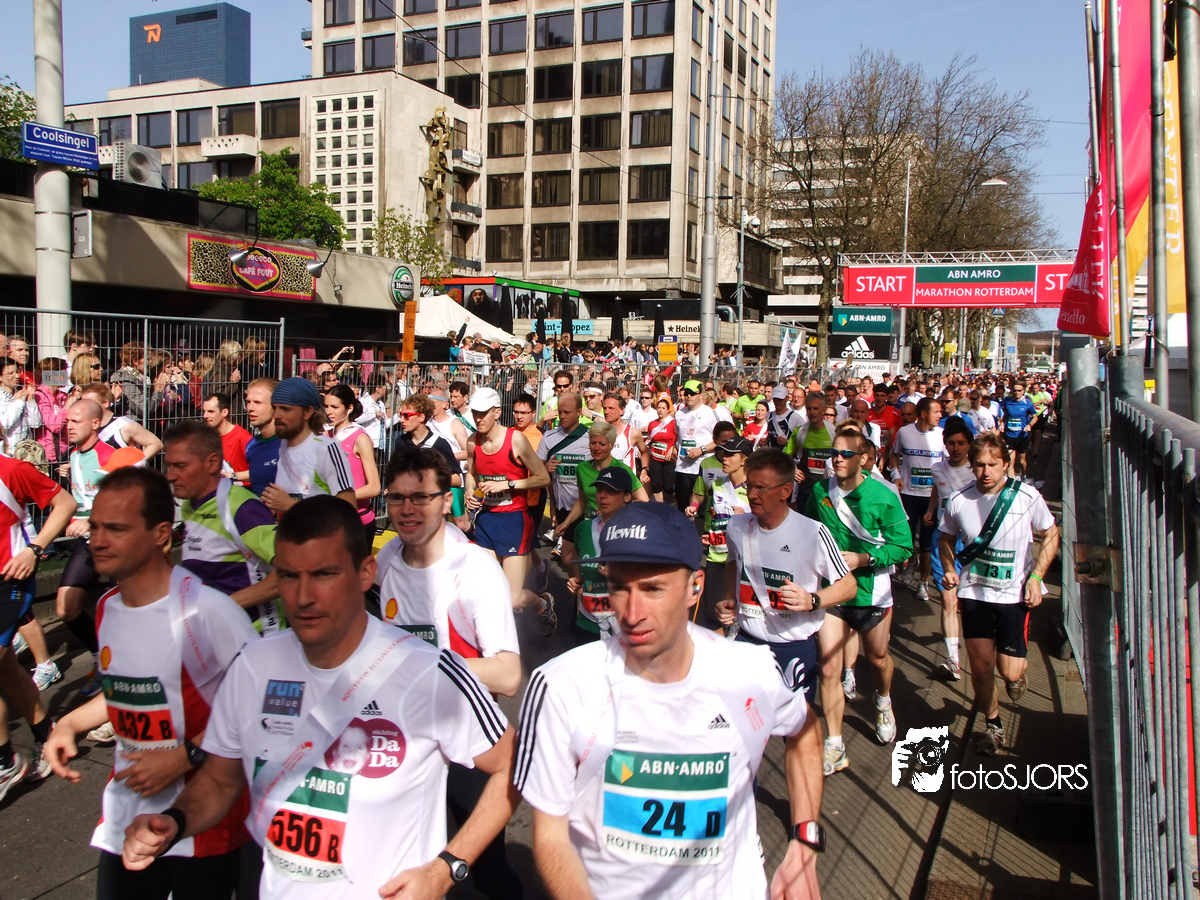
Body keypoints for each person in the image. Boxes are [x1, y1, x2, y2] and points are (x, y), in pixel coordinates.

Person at [120, 496, 518, 900]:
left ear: (365, 573)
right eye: (289, 576)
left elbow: (513, 765)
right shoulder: (252, 667)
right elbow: (220, 782)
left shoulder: (430, 672)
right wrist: (176, 820)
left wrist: (445, 869)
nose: (304, 596)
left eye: (324, 574)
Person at [516, 502, 826, 900]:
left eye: (653, 589)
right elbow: (551, 836)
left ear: (695, 587)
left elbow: (805, 731)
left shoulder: (749, 671)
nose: (632, 613)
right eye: (619, 587)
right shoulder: (561, 685)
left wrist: (804, 841)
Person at [44, 468, 257, 899]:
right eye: (95, 527)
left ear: (161, 535)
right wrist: (69, 724)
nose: (98, 541)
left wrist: (184, 756)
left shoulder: (207, 613)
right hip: (125, 815)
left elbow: (258, 710)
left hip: (202, 828)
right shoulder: (107, 607)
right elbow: (126, 689)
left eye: (116, 529)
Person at [375, 447, 524, 899]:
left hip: (466, 744)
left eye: (420, 497)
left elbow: (508, 675)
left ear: (445, 501)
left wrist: (426, 664)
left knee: (487, 870)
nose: (407, 509)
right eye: (397, 498)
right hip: (403, 741)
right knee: (403, 866)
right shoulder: (385, 560)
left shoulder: (475, 569)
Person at [939, 434, 1060, 755]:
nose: (986, 472)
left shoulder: (1026, 497)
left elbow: (1050, 533)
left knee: (1010, 670)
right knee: (980, 667)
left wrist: (1036, 577)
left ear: (1006, 464)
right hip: (974, 594)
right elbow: (945, 538)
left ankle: (1016, 676)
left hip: (1013, 597)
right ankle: (993, 725)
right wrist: (949, 568)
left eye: (993, 465)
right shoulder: (958, 499)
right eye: (979, 465)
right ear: (971, 465)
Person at [807, 431, 912, 776]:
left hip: (871, 591)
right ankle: (834, 743)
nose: (837, 458)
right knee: (828, 668)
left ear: (864, 459)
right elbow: (807, 529)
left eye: (846, 454)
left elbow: (903, 547)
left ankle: (883, 700)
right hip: (833, 591)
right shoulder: (820, 491)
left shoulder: (884, 495)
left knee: (878, 659)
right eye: (834, 452)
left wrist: (864, 559)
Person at [717, 449, 857, 703]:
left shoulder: (813, 532)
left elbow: (849, 585)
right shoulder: (736, 526)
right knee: (744, 720)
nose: (752, 494)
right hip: (747, 642)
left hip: (792, 648)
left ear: (786, 491)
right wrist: (730, 599)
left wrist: (812, 600)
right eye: (750, 486)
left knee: (796, 726)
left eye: (761, 488)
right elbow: (732, 563)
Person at [0, 456, 76, 797]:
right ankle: (46, 736)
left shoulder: (10, 470)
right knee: (6, 668)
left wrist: (34, 549)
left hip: (9, 578)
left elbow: (65, 503)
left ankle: (5, 762)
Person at [164, 421, 282, 634]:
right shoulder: (190, 506)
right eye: (169, 466)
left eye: (181, 466)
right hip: (212, 637)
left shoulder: (242, 508)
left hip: (254, 638)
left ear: (212, 463)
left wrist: (220, 607)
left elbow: (288, 572)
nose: (170, 476)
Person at [465, 387, 556, 634]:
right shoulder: (473, 441)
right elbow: (471, 473)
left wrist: (508, 484)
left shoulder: (515, 439)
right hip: (487, 521)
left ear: (497, 413)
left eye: (483, 413)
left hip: (515, 521)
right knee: (485, 590)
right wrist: (469, 491)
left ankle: (542, 603)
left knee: (512, 598)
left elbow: (543, 477)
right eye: (475, 413)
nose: (478, 419)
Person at [924, 418, 976, 681]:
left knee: (968, 601)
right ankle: (953, 660)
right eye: (951, 444)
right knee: (948, 599)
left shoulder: (977, 470)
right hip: (943, 540)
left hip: (971, 542)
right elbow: (937, 490)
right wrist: (931, 510)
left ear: (969, 445)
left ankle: (977, 645)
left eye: (961, 443)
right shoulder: (937, 468)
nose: (955, 448)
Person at [260, 377, 355, 518]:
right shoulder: (283, 445)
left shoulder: (325, 448)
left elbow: (348, 511)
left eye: (285, 409)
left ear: (307, 412)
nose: (277, 415)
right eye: (275, 408)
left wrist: (290, 505)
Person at [685, 435, 752, 632]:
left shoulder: (756, 487)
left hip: (745, 560)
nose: (724, 458)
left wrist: (747, 515)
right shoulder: (717, 485)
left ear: (744, 460)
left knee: (740, 615)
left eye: (731, 455)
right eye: (724, 453)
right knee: (714, 615)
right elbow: (716, 518)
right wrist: (712, 534)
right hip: (717, 556)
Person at [564, 466, 633, 643]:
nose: (603, 496)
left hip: (626, 621)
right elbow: (580, 565)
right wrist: (577, 580)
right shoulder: (584, 529)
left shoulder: (638, 532)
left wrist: (619, 576)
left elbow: (653, 582)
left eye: (611, 491)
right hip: (588, 621)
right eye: (599, 489)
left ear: (627, 496)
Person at [555, 421, 651, 543]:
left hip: (615, 528)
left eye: (602, 444)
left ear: (612, 445)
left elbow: (644, 500)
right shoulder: (582, 468)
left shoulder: (621, 470)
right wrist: (566, 523)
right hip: (590, 526)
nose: (596, 448)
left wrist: (613, 510)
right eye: (593, 443)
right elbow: (582, 501)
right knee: (568, 553)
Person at [888, 397, 945, 601]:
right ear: (923, 414)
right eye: (936, 411)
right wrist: (895, 475)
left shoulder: (941, 434)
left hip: (932, 497)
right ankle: (911, 562)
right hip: (909, 495)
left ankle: (923, 583)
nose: (940, 415)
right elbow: (894, 455)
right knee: (908, 541)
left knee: (927, 545)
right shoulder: (905, 432)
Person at [323, 384, 382, 547]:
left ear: (349, 408)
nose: (329, 411)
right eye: (326, 406)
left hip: (357, 521)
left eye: (335, 407)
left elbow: (374, 487)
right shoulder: (326, 436)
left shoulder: (359, 438)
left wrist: (338, 497)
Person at [538, 391, 592, 563]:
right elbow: (536, 471)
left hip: (588, 506)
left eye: (567, 412)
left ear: (579, 412)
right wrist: (546, 468)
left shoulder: (591, 438)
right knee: (568, 558)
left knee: (585, 554)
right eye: (560, 412)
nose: (562, 416)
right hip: (563, 506)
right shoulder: (549, 437)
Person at [80, 382, 164, 463]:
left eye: (89, 403)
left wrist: (134, 464)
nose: (84, 408)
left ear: (105, 403)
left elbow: (156, 444)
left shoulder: (124, 425)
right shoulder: (84, 427)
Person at [393, 393, 462, 487]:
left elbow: (457, 480)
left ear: (421, 417)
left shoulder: (438, 444)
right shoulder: (401, 441)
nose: (401, 420)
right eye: (400, 415)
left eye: (406, 415)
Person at [784, 391, 837, 513]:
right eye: (809, 409)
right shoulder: (800, 432)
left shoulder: (833, 432)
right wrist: (794, 469)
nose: (812, 412)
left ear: (824, 410)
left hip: (828, 492)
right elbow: (787, 456)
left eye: (816, 409)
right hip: (805, 491)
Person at [673, 379, 718, 513]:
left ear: (700, 395)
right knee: (682, 509)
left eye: (692, 393)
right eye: (686, 393)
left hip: (701, 467)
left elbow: (719, 441)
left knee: (702, 511)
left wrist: (701, 450)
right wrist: (674, 448)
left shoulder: (709, 413)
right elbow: (678, 436)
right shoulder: (679, 413)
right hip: (682, 467)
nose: (688, 396)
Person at [202, 392, 251, 484]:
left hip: (242, 490)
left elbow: (259, 471)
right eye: (204, 411)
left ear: (224, 412)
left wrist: (231, 476)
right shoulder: (208, 437)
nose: (205, 416)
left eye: (211, 411)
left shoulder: (242, 437)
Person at [243, 377, 280, 496]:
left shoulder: (290, 443)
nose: (250, 408)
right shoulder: (251, 446)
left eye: (257, 402)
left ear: (275, 405)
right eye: (248, 402)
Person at [999, 381, 1038, 477]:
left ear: (1023, 391)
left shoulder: (1027, 403)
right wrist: (1002, 423)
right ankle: (1011, 481)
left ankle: (1024, 476)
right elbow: (1005, 414)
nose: (1017, 392)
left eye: (1019, 390)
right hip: (1009, 435)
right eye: (1015, 390)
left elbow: (1035, 417)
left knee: (1021, 461)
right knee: (1010, 461)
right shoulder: (1007, 401)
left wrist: (1029, 425)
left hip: (1022, 436)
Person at [645, 395, 678, 505]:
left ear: (668, 410)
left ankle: (670, 504)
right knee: (656, 484)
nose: (660, 410)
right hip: (655, 457)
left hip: (668, 458)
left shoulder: (673, 423)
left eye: (663, 408)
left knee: (668, 486)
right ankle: (660, 507)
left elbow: (678, 438)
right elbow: (650, 439)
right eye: (658, 407)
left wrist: (672, 449)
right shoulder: (652, 424)